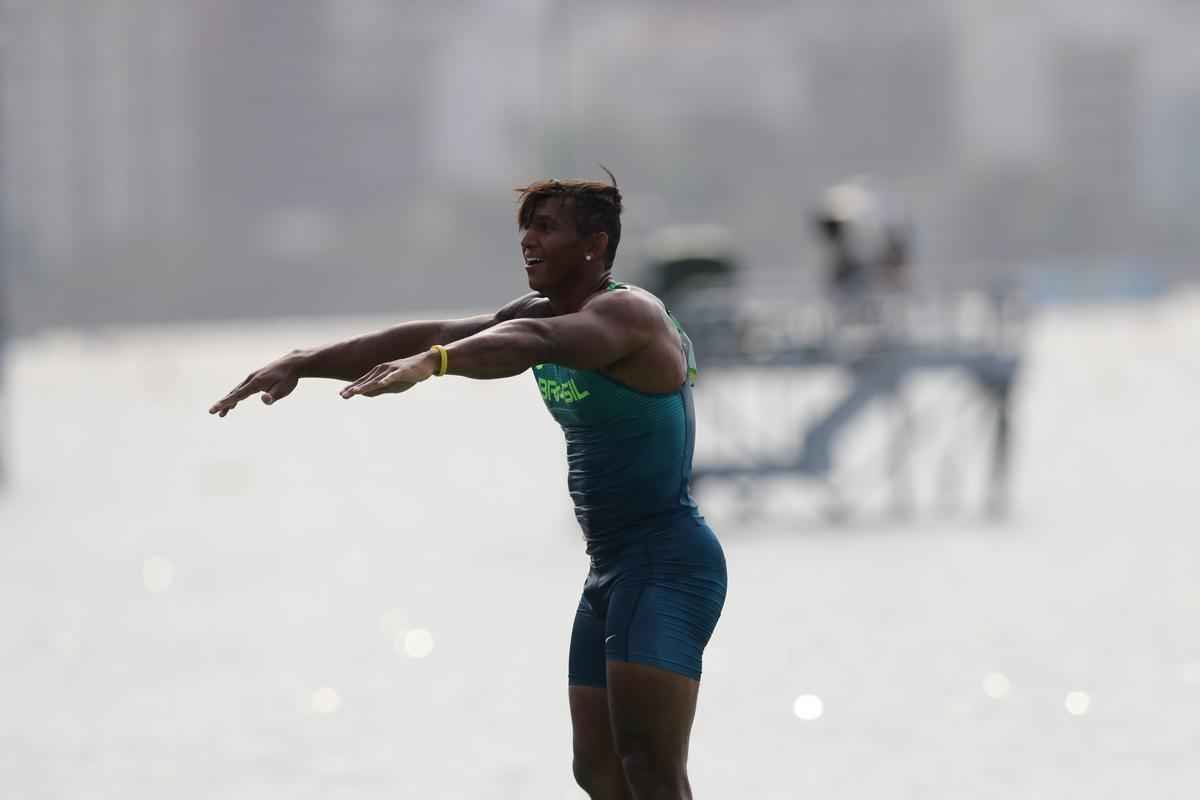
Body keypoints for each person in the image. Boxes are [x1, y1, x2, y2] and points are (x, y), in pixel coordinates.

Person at [209, 174, 728, 799]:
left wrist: (438, 364)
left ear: (594, 244)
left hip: (668, 563)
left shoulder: (629, 315)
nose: (529, 242)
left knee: (649, 765)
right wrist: (304, 359)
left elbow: (531, 344)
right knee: (597, 770)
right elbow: (431, 334)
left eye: (546, 229)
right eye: (525, 230)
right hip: (610, 570)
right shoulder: (538, 311)